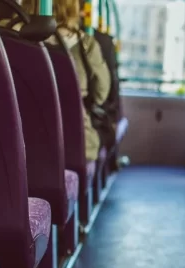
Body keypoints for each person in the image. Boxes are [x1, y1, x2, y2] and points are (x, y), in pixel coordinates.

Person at [18, 0, 111, 162]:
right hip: (72, 145)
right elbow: (100, 94)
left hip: (20, 142)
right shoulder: (86, 45)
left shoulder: (5, 36)